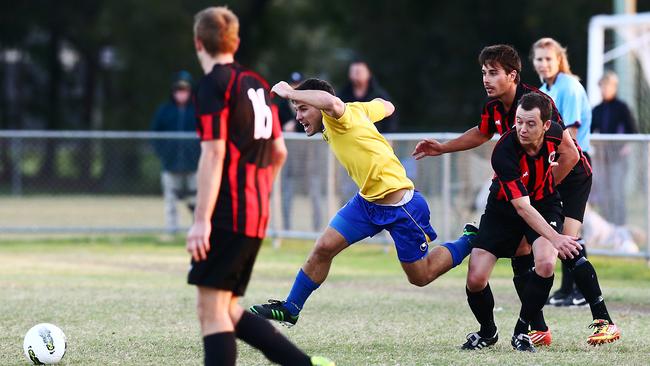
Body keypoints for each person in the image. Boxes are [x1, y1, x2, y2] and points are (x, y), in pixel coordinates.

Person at [413, 44, 620, 346]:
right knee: (525, 251)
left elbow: (569, 153)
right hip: (530, 185)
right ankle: (536, 328)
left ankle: (603, 320)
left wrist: (543, 190)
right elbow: (482, 133)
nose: (486, 79)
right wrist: (443, 147)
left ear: (512, 76)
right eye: (483, 73)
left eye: (493, 73)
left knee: (563, 246)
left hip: (567, 176)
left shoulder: (537, 105)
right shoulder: (496, 110)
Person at [250, 78, 477, 327]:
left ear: (320, 106)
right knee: (323, 248)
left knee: (421, 277)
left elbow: (331, 102)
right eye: (297, 109)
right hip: (366, 203)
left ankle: (469, 239)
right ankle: (291, 308)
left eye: (303, 108)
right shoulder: (354, 111)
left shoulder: (337, 116)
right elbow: (386, 105)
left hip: (401, 205)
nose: (300, 115)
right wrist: (371, 110)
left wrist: (290, 91)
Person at [185, 7, 334, 366]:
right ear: (235, 42)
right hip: (252, 211)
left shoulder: (213, 85)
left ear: (198, 43)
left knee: (212, 311)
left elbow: (213, 154)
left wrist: (202, 219)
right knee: (225, 309)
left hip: (226, 212)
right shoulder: (254, 83)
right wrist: (256, 195)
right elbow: (278, 151)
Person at [463, 92, 580, 352]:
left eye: (530, 123)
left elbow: (572, 156)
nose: (522, 129)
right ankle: (488, 331)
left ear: (546, 125)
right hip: (503, 208)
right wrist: (557, 237)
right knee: (476, 278)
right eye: (518, 121)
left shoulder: (556, 133)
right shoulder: (504, 151)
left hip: (544, 203)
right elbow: (521, 208)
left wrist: (546, 185)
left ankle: (522, 330)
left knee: (547, 263)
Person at [531, 37, 592, 307]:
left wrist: (555, 163)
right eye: (539, 59)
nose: (543, 64)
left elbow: (571, 135)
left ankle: (578, 288)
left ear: (559, 60)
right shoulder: (545, 89)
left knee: (570, 225)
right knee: (563, 226)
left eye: (548, 58)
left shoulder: (569, 86)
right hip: (554, 161)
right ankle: (569, 289)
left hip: (574, 161)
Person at [151, 70, 200, 234]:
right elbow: (155, 135)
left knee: (196, 200)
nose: (181, 93)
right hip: (171, 163)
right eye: (178, 89)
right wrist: (164, 153)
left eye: (185, 90)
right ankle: (172, 231)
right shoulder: (165, 111)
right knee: (170, 200)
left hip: (194, 163)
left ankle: (197, 228)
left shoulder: (198, 110)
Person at [591, 71, 638, 225]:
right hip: (602, 158)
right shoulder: (597, 109)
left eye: (607, 86)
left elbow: (633, 131)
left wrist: (626, 146)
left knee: (616, 191)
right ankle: (607, 225)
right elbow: (590, 130)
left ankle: (620, 224)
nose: (604, 89)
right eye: (602, 86)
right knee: (603, 192)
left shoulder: (622, 107)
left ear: (614, 87)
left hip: (618, 158)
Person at [278, 72, 323, 231]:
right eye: (293, 85)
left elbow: (316, 123)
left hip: (309, 156)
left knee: (314, 191)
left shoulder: (312, 103)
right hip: (289, 155)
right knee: (287, 191)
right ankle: (287, 229)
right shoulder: (282, 105)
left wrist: (295, 126)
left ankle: (318, 229)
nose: (296, 88)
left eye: (299, 85)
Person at [338, 60, 399, 133]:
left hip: (375, 139)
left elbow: (391, 119)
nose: (357, 74)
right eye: (354, 72)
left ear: (368, 73)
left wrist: (388, 136)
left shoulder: (379, 94)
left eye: (360, 72)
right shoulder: (342, 95)